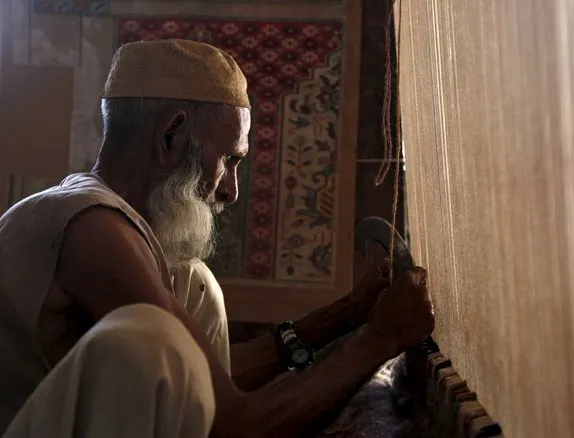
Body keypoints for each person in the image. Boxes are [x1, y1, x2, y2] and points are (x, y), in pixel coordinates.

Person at [0, 39, 435, 438]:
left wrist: (350, 314)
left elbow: (216, 383)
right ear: (171, 134)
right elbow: (232, 425)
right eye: (229, 159)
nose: (231, 191)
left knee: (194, 281)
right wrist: (380, 339)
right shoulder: (93, 229)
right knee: (147, 335)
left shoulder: (110, 220)